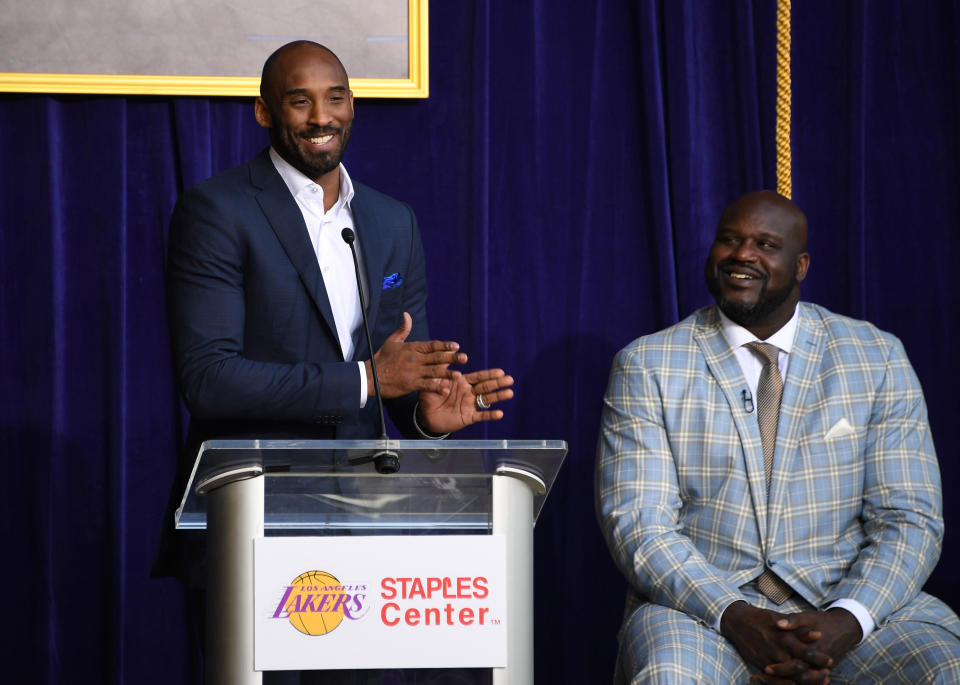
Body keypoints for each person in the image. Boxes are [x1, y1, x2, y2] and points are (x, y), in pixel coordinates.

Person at [153, 40, 512, 683]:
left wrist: (428, 414)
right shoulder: (217, 211)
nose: (322, 116)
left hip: (371, 528)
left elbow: (398, 377)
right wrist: (366, 380)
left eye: (336, 97)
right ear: (265, 113)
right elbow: (209, 379)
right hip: (257, 521)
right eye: (300, 100)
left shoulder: (390, 220)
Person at [595, 190, 960, 683]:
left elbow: (909, 518)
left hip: (842, 602)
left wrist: (848, 618)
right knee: (670, 675)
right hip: (703, 614)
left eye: (766, 244)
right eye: (729, 240)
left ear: (801, 265)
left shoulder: (877, 357)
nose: (743, 254)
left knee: (945, 664)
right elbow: (639, 525)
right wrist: (736, 616)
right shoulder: (648, 364)